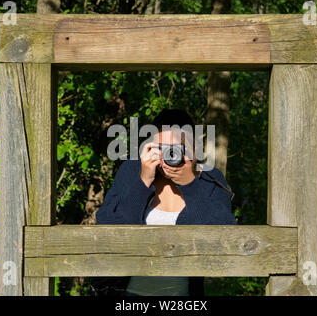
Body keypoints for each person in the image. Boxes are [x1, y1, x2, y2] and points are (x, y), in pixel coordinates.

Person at [93, 109, 237, 296]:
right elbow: (108, 228)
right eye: (161, 147)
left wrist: (189, 184)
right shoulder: (132, 170)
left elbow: (225, 236)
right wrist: (143, 181)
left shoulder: (209, 178)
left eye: (177, 147)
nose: (169, 154)